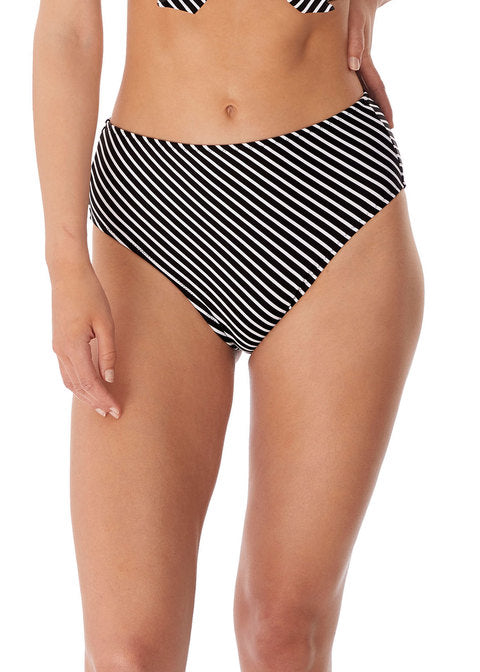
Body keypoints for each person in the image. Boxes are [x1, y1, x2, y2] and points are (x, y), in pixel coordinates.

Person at [33, 0, 424, 670]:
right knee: (128, 653)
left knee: (282, 633)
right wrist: (65, 265)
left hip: (334, 200)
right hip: (151, 220)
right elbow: (68, 29)